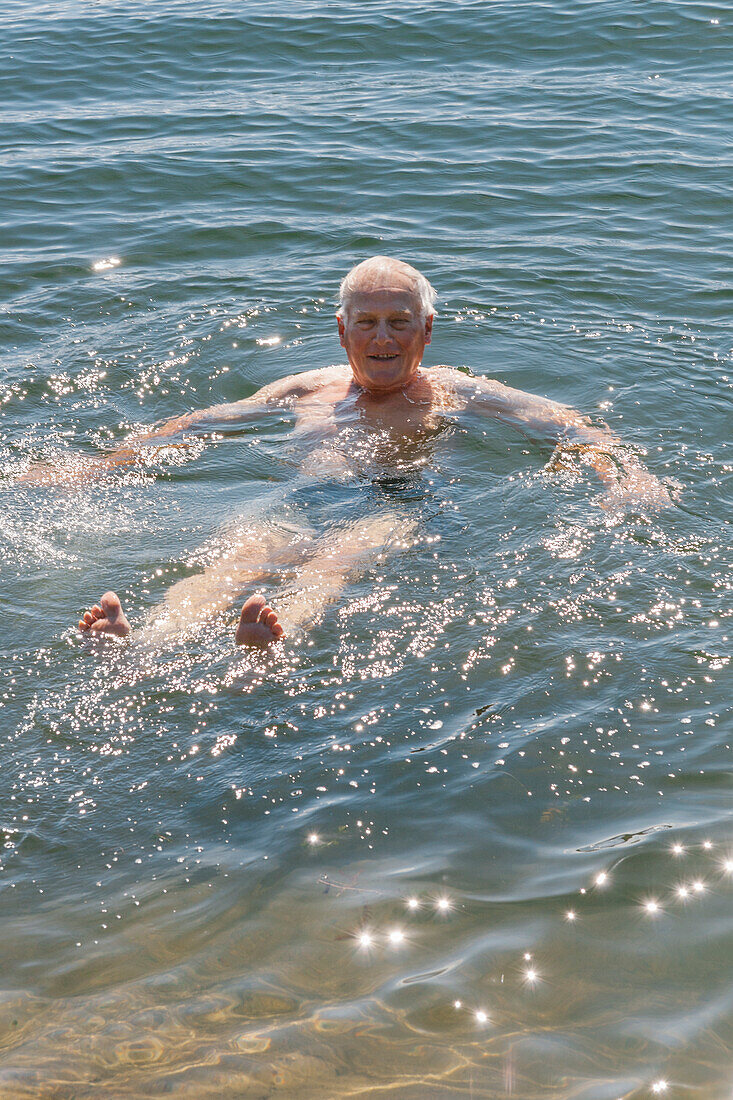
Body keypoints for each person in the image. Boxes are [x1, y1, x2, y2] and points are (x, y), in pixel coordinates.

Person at [25, 256, 669, 646]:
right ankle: (139, 644)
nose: (383, 336)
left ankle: (268, 644)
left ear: (426, 330)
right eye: (367, 321)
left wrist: (626, 476)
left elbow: (574, 427)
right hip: (301, 497)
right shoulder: (304, 387)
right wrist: (94, 469)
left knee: (333, 565)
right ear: (342, 331)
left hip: (398, 501)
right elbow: (194, 423)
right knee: (230, 562)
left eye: (399, 321)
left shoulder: (457, 391)